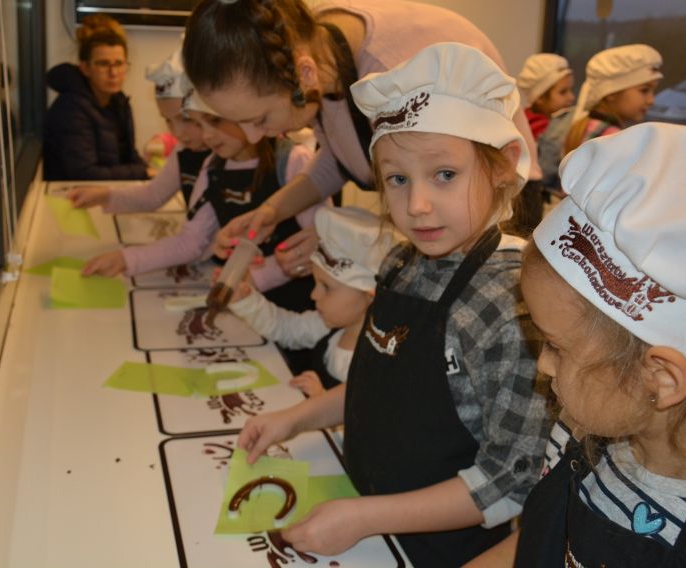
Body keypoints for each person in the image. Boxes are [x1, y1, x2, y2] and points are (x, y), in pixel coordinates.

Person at [237, 43, 551, 566]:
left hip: (439, 548)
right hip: (360, 511)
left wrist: (365, 518)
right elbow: (377, 385)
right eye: (398, 179)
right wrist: (296, 419)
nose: (417, 206)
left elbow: (508, 481)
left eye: (444, 174)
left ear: (503, 165)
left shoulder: (511, 304)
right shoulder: (402, 262)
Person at [466, 123, 686, 567]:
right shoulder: (581, 427)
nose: (542, 366)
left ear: (661, 378)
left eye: (556, 347)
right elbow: (539, 541)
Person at [181, 0, 543, 273]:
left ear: (304, 73)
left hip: (495, 217)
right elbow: (340, 156)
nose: (252, 136)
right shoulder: (317, 53)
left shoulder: (394, 70)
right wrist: (272, 212)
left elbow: (430, 193)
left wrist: (344, 238)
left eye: (260, 119)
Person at [83, 90, 317, 309]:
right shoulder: (212, 165)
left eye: (214, 121)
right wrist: (125, 259)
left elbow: (319, 243)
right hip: (245, 300)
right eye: (199, 124)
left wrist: (255, 277)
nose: (206, 135)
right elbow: (192, 241)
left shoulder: (293, 160)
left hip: (297, 304)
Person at [228, 205, 399, 397]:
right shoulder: (327, 325)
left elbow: (372, 414)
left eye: (326, 287)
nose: (313, 295)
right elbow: (288, 329)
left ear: (370, 295)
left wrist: (322, 399)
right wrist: (247, 301)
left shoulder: (379, 361)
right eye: (316, 283)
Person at [68, 49, 211, 213]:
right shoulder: (182, 149)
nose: (177, 133)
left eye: (187, 119)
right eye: (168, 120)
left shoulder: (227, 152)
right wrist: (105, 196)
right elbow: (153, 195)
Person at [43, 14, 148, 181]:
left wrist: (150, 173)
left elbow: (129, 155)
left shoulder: (119, 101)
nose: (113, 73)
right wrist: (144, 173)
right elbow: (83, 173)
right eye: (103, 64)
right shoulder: (70, 108)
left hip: (105, 189)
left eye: (119, 63)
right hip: (72, 192)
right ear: (85, 68)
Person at [563, 44, 662, 155]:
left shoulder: (586, 125)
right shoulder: (613, 139)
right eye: (644, 90)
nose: (651, 101)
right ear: (611, 93)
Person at [517, 53, 575, 141]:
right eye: (563, 92)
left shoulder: (524, 120)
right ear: (540, 97)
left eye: (571, 90)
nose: (571, 97)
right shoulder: (541, 130)